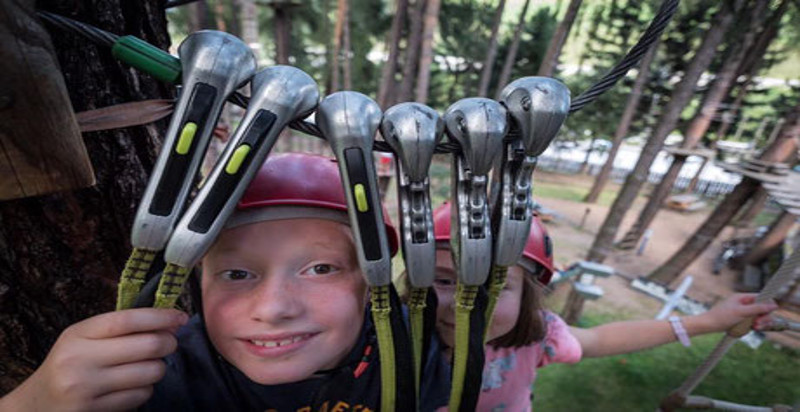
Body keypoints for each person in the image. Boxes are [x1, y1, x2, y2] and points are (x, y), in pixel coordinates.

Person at [0, 153, 449, 411]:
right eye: (236, 274)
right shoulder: (157, 375)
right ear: (199, 283)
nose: (273, 309)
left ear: (371, 283)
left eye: (320, 269)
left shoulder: (408, 350)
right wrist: (31, 405)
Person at [428, 203, 780, 412]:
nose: (466, 305)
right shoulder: (384, 338)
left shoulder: (535, 337)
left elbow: (600, 338)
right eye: (444, 280)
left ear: (527, 296)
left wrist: (708, 321)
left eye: (495, 287)